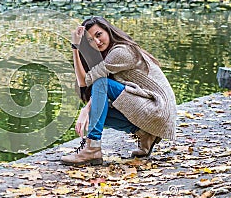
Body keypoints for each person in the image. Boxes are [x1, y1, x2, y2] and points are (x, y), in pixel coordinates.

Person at [61, 16, 177, 166]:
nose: (97, 42)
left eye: (98, 35)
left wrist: (75, 49)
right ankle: (145, 134)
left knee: (101, 85)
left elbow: (87, 82)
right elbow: (93, 90)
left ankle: (92, 148)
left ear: (108, 31)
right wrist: (75, 48)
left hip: (157, 107)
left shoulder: (120, 52)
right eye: (90, 41)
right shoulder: (110, 56)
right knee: (96, 110)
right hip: (153, 109)